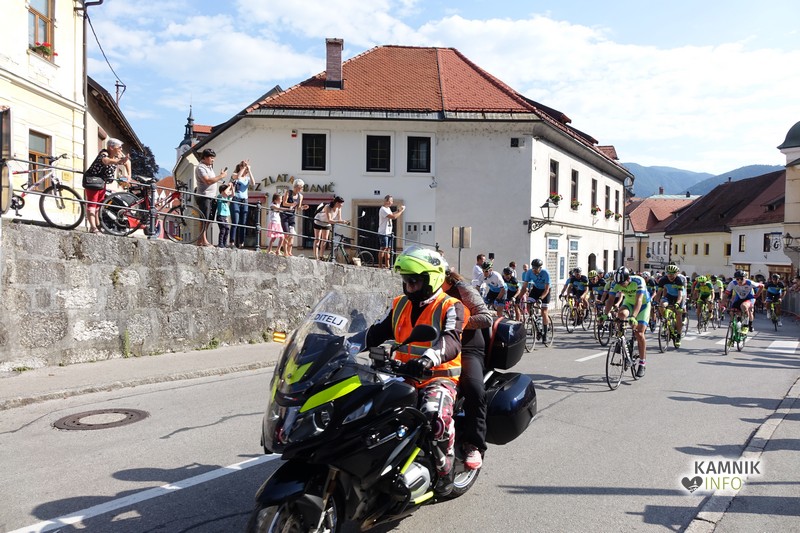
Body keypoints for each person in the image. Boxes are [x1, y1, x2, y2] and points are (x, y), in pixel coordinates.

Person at [365, 246, 466, 495]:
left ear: (432, 280)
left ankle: (445, 469)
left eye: (414, 281)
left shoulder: (451, 305)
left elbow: (452, 340)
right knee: (365, 408)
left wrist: (428, 359)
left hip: (438, 377)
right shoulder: (399, 304)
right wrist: (342, 342)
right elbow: (375, 332)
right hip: (402, 374)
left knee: (435, 416)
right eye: (406, 281)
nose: (409, 287)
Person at [442, 264, 494, 470]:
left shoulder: (462, 289)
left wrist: (457, 323)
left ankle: (474, 444)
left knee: (474, 388)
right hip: (438, 345)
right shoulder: (421, 291)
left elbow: (486, 318)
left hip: (468, 347)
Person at [603, 266, 651, 377]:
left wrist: (633, 316)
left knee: (639, 333)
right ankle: (622, 339)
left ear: (628, 279)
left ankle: (642, 363)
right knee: (621, 315)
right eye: (619, 284)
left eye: (622, 283)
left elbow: (639, 300)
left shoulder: (639, 281)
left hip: (643, 305)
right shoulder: (615, 283)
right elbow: (610, 300)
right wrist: (605, 314)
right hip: (629, 303)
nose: (621, 286)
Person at [83, 138, 130, 233]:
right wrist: (118, 161)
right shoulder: (104, 153)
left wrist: (129, 175)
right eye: (119, 147)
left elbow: (127, 162)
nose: (121, 149)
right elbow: (105, 161)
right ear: (111, 147)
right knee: (92, 205)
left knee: (98, 205)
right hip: (93, 181)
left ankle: (98, 226)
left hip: (102, 183)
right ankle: (93, 227)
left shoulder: (117, 155)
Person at [194, 148, 227, 247]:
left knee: (209, 219)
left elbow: (213, 180)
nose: (213, 160)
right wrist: (221, 176)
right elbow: (208, 181)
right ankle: (204, 240)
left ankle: (200, 240)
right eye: (211, 158)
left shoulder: (209, 167)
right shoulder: (201, 168)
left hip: (211, 196)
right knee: (204, 218)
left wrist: (220, 178)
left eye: (213, 158)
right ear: (205, 157)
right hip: (204, 196)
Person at [655, 264, 687, 347]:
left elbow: (680, 295)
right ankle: (665, 321)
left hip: (679, 297)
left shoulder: (679, 280)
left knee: (678, 314)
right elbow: (659, 293)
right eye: (669, 274)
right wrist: (655, 302)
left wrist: (677, 303)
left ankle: (678, 335)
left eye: (672, 274)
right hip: (669, 296)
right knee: (662, 305)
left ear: (676, 273)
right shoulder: (663, 280)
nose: (670, 276)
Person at [520, 258, 552, 341]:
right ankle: (536, 325)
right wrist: (519, 297)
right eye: (533, 268)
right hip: (536, 289)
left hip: (545, 291)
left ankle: (545, 334)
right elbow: (524, 287)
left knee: (544, 311)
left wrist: (541, 298)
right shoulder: (529, 272)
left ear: (540, 268)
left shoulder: (545, 273)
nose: (534, 270)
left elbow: (546, 289)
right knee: (528, 305)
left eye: (536, 268)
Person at [313, 196, 350, 260]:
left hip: (326, 223)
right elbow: (330, 220)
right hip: (319, 221)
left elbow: (339, 219)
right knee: (317, 239)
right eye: (341, 203)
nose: (342, 205)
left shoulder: (339, 209)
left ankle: (321, 256)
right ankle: (316, 257)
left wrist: (345, 222)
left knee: (325, 239)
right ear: (337, 203)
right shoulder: (327, 207)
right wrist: (341, 221)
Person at [229, 160, 255, 248]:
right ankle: (232, 242)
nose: (245, 170)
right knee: (235, 222)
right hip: (236, 200)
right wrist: (243, 168)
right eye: (244, 167)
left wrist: (250, 170)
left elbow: (253, 183)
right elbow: (238, 177)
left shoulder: (247, 178)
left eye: (246, 168)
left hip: (244, 201)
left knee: (243, 223)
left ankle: (241, 243)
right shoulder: (234, 175)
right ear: (240, 167)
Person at [278, 179, 306, 257]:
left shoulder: (300, 196)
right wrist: (292, 204)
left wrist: (303, 207)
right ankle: (285, 252)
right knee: (286, 234)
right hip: (284, 215)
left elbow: (298, 207)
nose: (302, 188)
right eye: (301, 187)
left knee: (292, 234)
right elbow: (284, 203)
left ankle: (290, 252)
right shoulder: (288, 192)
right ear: (297, 186)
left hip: (292, 216)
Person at [378, 195, 405, 268]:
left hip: (389, 232)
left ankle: (387, 265)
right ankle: (380, 265)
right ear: (386, 201)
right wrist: (401, 211)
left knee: (389, 249)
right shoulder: (383, 209)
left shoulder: (388, 209)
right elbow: (394, 217)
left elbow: (392, 214)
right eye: (391, 201)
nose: (392, 202)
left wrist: (398, 210)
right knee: (383, 248)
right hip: (383, 232)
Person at [216, 183, 232, 248]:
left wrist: (232, 187)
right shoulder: (219, 196)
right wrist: (229, 186)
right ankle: (220, 243)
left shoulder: (227, 198)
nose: (228, 192)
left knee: (227, 229)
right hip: (220, 216)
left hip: (225, 216)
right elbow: (225, 193)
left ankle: (225, 243)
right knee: (223, 229)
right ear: (222, 191)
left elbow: (233, 194)